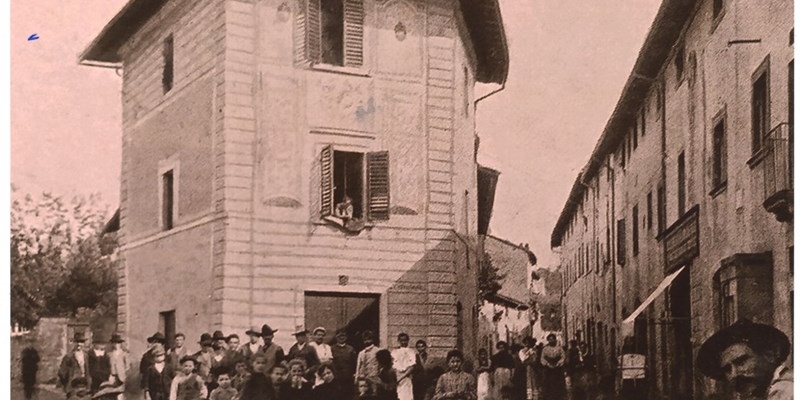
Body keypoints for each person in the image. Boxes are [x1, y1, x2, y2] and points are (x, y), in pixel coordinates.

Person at [696, 319, 793, 400]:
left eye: (741, 362)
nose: (734, 374)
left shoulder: (785, 392)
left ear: (769, 355)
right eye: (727, 369)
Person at [331, 330, 357, 397]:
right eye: (339, 336)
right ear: (336, 337)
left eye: (343, 335)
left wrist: (354, 374)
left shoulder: (351, 349)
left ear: (346, 337)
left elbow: (355, 363)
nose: (341, 337)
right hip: (337, 378)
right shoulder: (332, 349)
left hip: (348, 377)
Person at [391, 333, 417, 400]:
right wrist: (397, 377)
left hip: (406, 377)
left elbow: (412, 367)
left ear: (408, 341)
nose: (403, 342)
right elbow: (393, 365)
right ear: (398, 341)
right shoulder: (394, 352)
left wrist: (402, 377)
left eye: (405, 340)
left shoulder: (411, 352)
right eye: (401, 340)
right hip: (397, 377)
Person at [540, 334, 565, 400]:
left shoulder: (559, 348)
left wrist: (559, 363)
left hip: (557, 369)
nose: (551, 341)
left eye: (553, 339)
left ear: (555, 340)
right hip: (548, 369)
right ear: (548, 340)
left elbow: (563, 357)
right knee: (547, 384)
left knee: (558, 384)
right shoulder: (545, 349)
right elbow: (542, 358)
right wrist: (547, 364)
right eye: (550, 339)